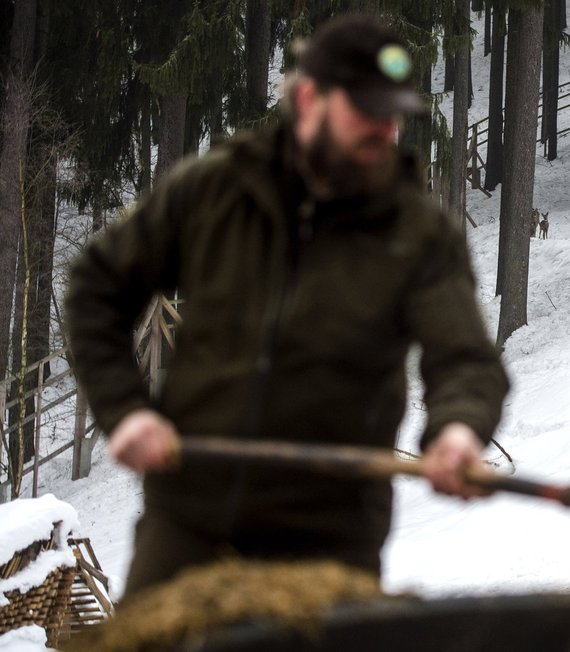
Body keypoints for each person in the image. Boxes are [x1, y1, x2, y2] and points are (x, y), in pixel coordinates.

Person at [65, 12, 509, 597]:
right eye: (365, 111)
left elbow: (466, 360)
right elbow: (97, 285)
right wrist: (124, 407)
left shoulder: (419, 234)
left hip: (331, 533)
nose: (384, 130)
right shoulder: (215, 190)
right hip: (190, 521)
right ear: (307, 98)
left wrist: (457, 428)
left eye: (392, 115)